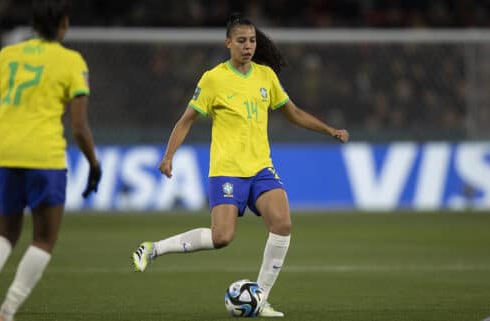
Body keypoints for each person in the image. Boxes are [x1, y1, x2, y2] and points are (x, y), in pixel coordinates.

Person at [132, 13, 349, 318]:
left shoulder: (266, 77)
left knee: (283, 224)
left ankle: (261, 298)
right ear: (228, 43)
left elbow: (294, 113)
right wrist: (168, 156)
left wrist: (330, 131)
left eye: (252, 41)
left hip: (261, 168)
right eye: (242, 41)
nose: (248, 46)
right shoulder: (213, 79)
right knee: (222, 237)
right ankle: (153, 249)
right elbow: (186, 121)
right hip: (227, 170)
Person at [0, 1, 101, 321]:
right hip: (45, 157)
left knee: (5, 234)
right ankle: (6, 313)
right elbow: (79, 127)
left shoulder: (7, 55)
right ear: (64, 24)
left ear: (33, 25)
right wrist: (93, 163)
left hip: (5, 156)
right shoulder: (71, 61)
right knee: (43, 239)